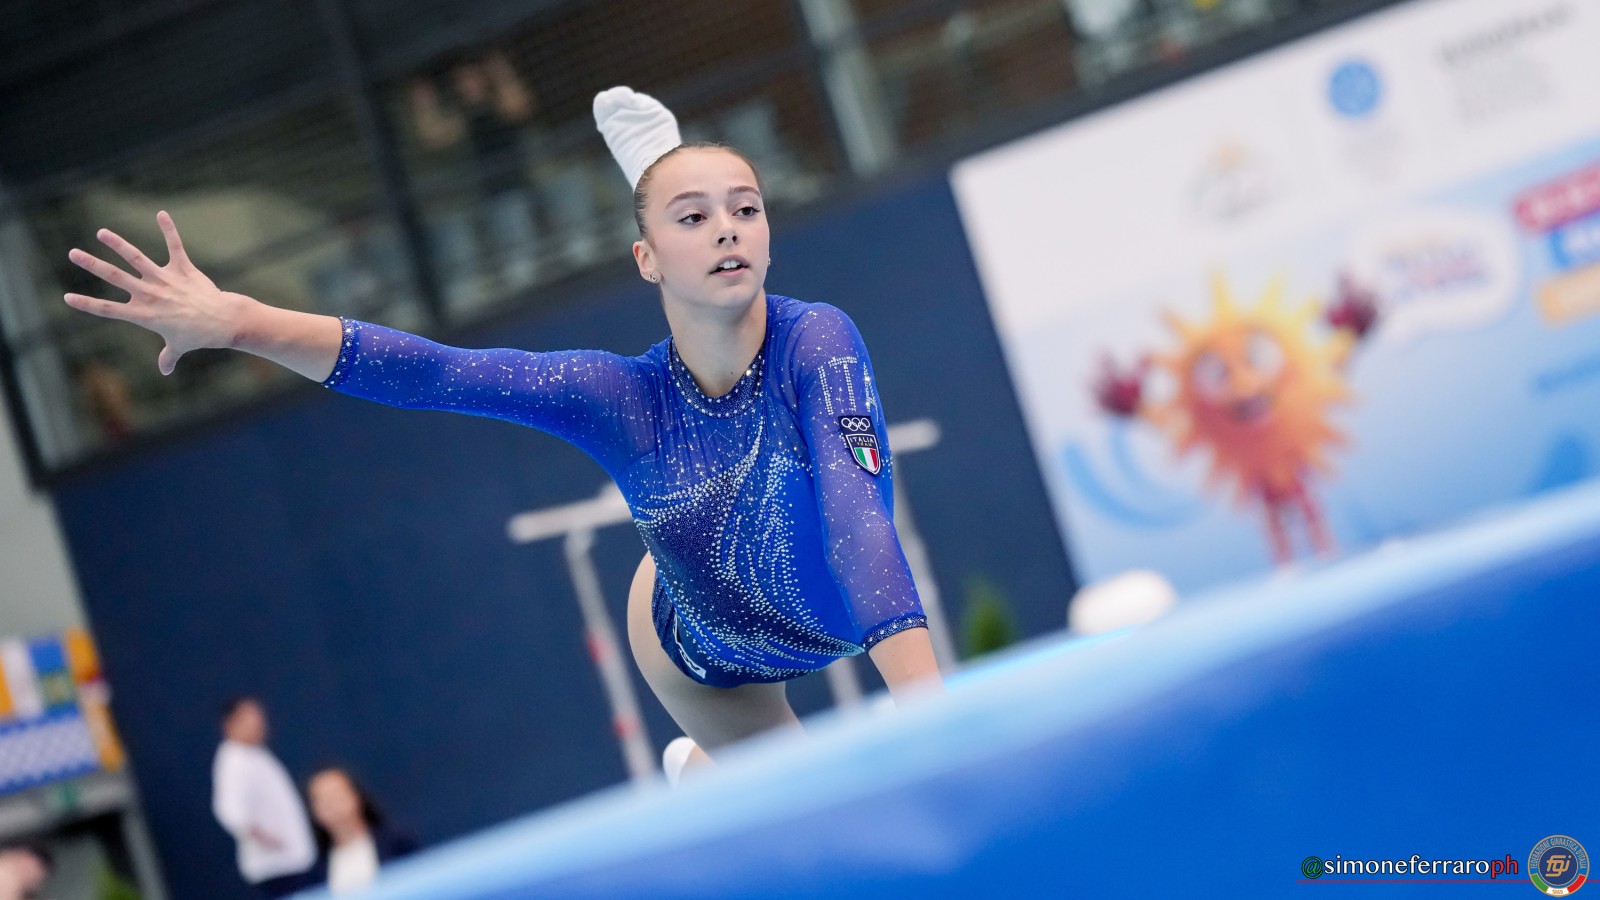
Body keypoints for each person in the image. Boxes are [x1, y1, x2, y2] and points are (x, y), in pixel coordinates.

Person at [62, 87, 943, 781]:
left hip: (824, 609)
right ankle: (712, 770)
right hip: (694, 651)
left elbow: (858, 526)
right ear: (645, 258)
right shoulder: (620, 399)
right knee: (818, 827)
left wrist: (939, 725)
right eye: (693, 217)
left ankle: (709, 777)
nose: (728, 231)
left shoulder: (816, 342)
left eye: (746, 210)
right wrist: (242, 321)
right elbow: (437, 372)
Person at [210, 697, 316, 897]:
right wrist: (268, 839)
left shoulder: (254, 754)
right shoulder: (234, 761)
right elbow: (229, 811)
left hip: (294, 861)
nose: (258, 723)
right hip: (278, 867)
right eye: (249, 718)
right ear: (230, 724)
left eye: (259, 717)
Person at [304, 767, 417, 895]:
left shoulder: (398, 844)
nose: (332, 805)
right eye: (323, 800)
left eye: (337, 794)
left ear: (356, 796)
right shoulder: (315, 875)